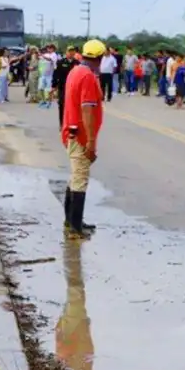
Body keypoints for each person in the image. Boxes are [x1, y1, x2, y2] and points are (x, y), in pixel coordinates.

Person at [61, 40, 105, 237]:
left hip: (70, 130)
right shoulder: (87, 76)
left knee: (74, 177)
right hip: (80, 134)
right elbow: (87, 109)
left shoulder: (76, 71)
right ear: (99, 58)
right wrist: (91, 141)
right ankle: (75, 228)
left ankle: (71, 221)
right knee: (80, 178)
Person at [53, 46, 78, 129]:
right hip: (63, 87)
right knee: (62, 105)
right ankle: (62, 124)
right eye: (69, 51)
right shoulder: (60, 62)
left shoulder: (77, 63)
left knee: (73, 106)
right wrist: (54, 86)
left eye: (72, 51)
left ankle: (71, 123)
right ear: (66, 52)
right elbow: (55, 74)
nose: (71, 53)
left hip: (74, 88)